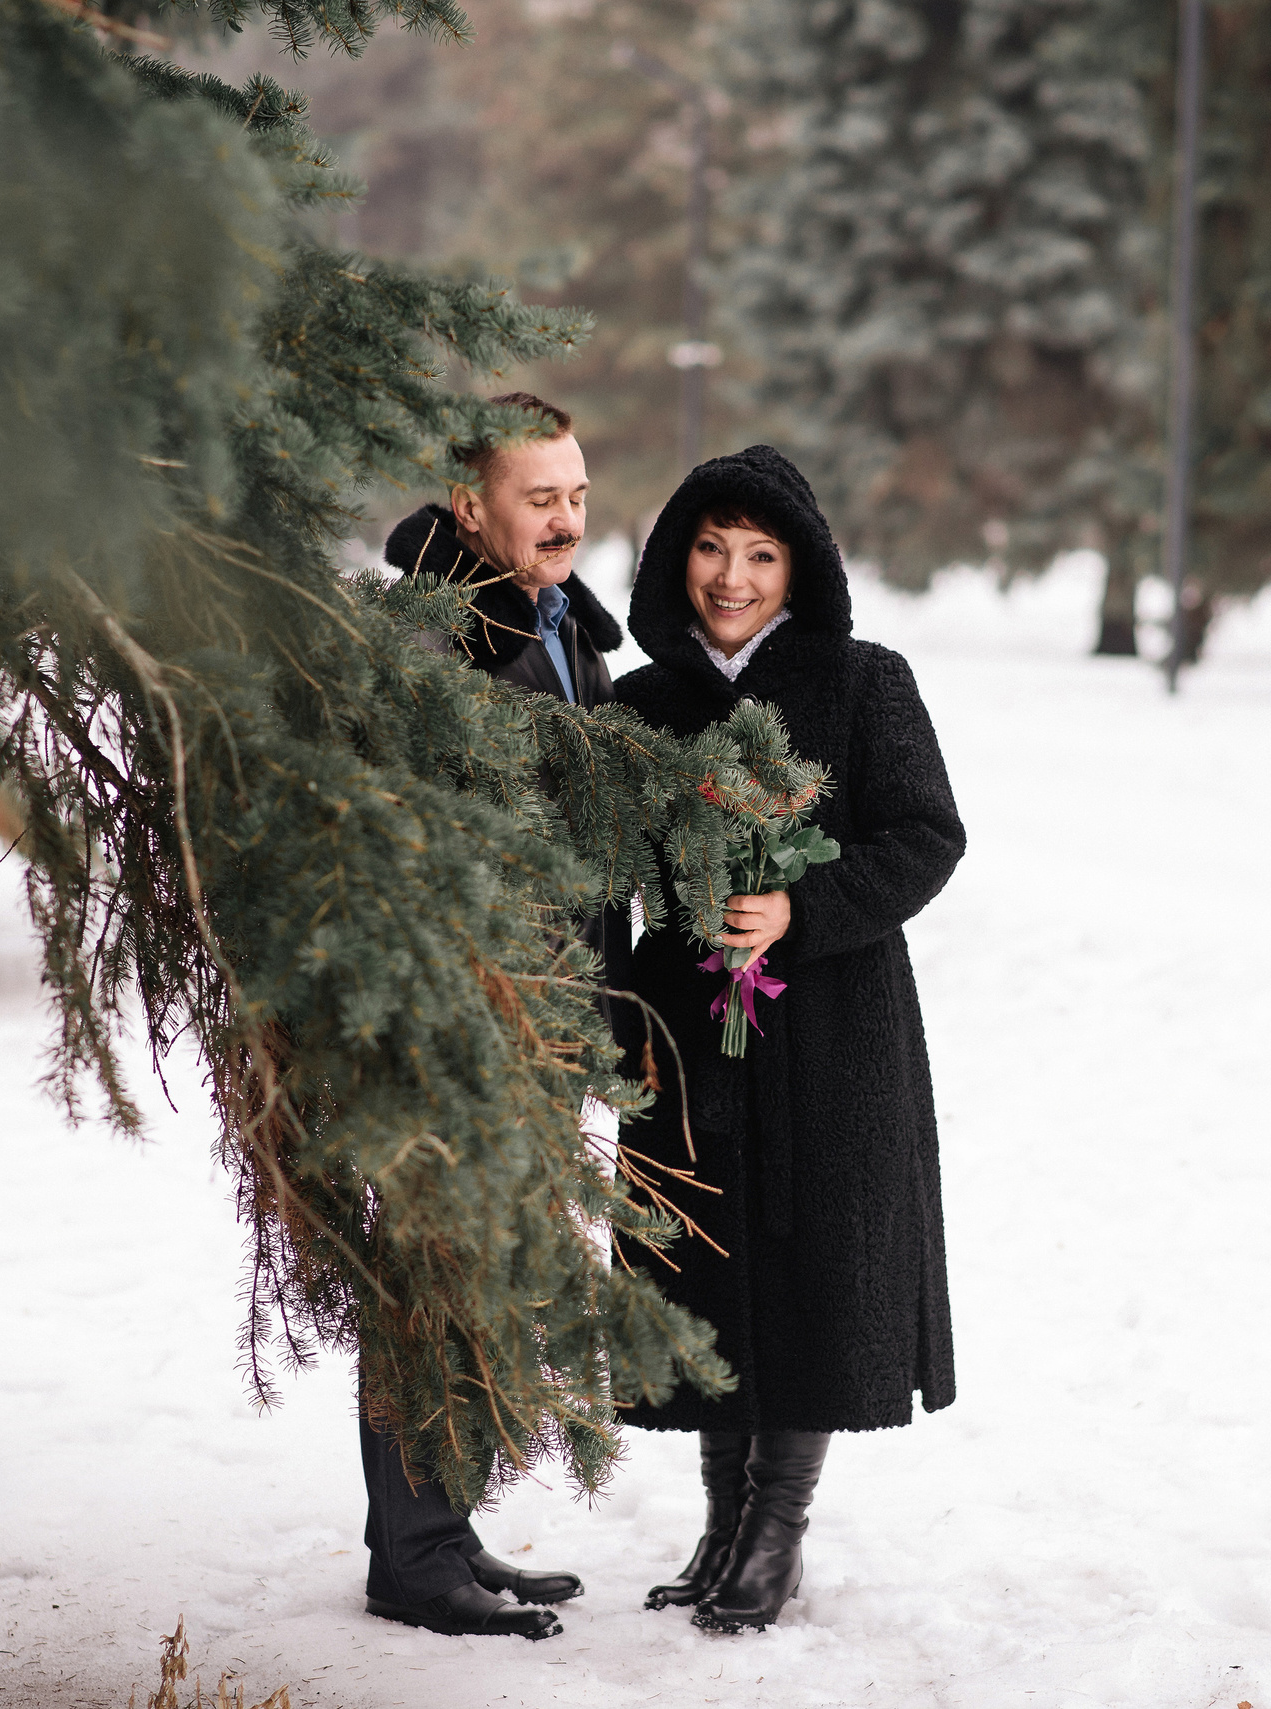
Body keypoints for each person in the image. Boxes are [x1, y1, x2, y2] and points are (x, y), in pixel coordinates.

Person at [611, 445, 967, 1634]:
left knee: (814, 1271)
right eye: (712, 548)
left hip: (831, 1039)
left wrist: (799, 908)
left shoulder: (866, 684)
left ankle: (777, 1528)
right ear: (676, 557)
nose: (732, 577)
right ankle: (721, 1519)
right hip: (688, 1040)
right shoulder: (640, 706)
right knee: (706, 1268)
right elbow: (602, 875)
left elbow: (926, 835)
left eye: (760, 555)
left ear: (799, 568)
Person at [353, 392, 631, 1641]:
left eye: (576, 493)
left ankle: (441, 1530)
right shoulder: (430, 635)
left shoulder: (567, 623)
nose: (567, 517)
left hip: (548, 1004)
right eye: (540, 497)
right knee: (428, 1270)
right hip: (459, 1008)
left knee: (485, 1274)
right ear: (472, 507)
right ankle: (413, 1553)